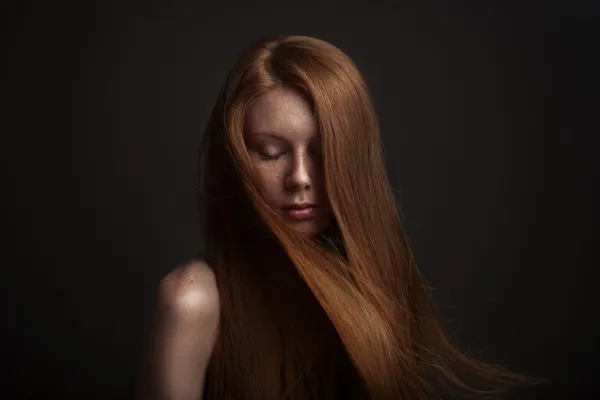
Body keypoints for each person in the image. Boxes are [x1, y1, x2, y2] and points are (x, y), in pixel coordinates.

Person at [137, 35, 533, 399]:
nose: (300, 179)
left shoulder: (372, 279)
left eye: (324, 153)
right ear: (236, 159)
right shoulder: (192, 299)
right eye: (271, 153)